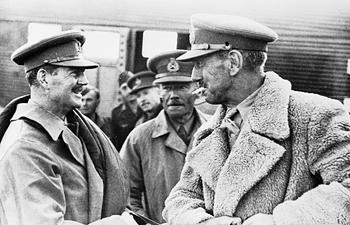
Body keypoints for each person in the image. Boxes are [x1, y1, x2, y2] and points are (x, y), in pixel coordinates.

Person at [163, 14, 350, 225]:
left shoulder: (313, 116)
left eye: (200, 64)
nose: (194, 76)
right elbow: (181, 198)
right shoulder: (209, 132)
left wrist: (279, 221)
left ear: (234, 62)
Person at [0, 30, 135, 225]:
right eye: (75, 73)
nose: (85, 82)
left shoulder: (72, 128)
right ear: (44, 78)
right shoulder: (25, 147)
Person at [120, 49, 209, 223]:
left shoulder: (214, 130)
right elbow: (126, 194)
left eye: (182, 87)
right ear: (160, 92)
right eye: (167, 87)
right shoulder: (140, 137)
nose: (173, 95)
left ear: (196, 89)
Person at [111, 71, 142, 151]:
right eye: (124, 88)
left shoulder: (146, 109)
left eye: (131, 86)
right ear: (120, 91)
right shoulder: (117, 113)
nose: (129, 91)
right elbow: (115, 142)